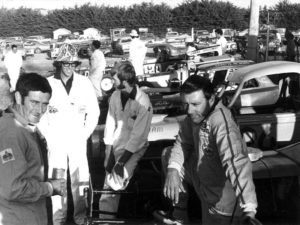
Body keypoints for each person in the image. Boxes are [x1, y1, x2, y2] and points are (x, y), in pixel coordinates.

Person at [157, 75, 258, 225]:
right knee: (168, 154)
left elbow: (236, 162)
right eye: (186, 104)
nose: (189, 110)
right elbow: (182, 142)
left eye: (195, 104)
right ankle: (179, 214)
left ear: (211, 100)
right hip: (203, 185)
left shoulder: (222, 123)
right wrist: (173, 169)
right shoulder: (193, 117)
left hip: (222, 202)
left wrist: (249, 208)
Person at [39, 43, 100, 225]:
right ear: (58, 64)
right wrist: (48, 137)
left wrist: (84, 134)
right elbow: (41, 114)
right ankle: (58, 219)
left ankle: (81, 218)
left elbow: (94, 113)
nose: (69, 68)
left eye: (72, 64)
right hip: (55, 142)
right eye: (65, 64)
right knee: (57, 180)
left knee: (80, 179)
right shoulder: (48, 84)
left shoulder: (84, 83)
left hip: (77, 140)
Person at [0, 73, 66, 225]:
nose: (40, 110)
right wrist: (49, 187)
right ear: (18, 97)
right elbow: (13, 188)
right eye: (34, 102)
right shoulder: (11, 133)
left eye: (45, 104)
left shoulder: (24, 127)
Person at [99, 61, 153, 218]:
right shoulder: (115, 96)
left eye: (114, 77)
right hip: (117, 143)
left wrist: (121, 162)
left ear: (123, 80)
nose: (111, 80)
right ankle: (105, 218)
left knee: (114, 182)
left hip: (135, 149)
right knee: (108, 178)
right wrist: (108, 153)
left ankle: (107, 217)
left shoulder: (143, 102)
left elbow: (138, 137)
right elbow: (110, 123)